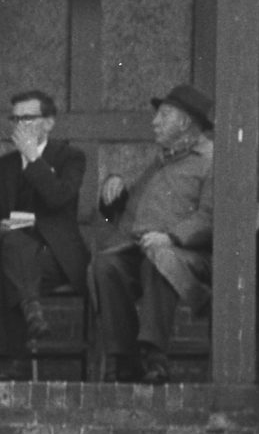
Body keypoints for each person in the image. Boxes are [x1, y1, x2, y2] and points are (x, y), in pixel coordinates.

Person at [90, 83, 215, 384]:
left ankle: (155, 356)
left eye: (163, 116)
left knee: (158, 260)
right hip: (140, 248)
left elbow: (211, 217)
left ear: (184, 122)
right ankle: (124, 358)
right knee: (105, 266)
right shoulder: (161, 160)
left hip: (187, 253)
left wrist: (171, 237)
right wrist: (114, 190)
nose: (154, 122)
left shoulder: (212, 161)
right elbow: (125, 211)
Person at [0, 89, 87, 361]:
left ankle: (11, 363)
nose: (19, 126)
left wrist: (34, 160)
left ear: (49, 122)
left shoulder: (70, 157)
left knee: (10, 266)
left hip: (54, 256)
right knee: (12, 249)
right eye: (15, 120)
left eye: (27, 118)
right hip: (14, 252)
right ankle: (32, 309)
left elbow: (58, 197)